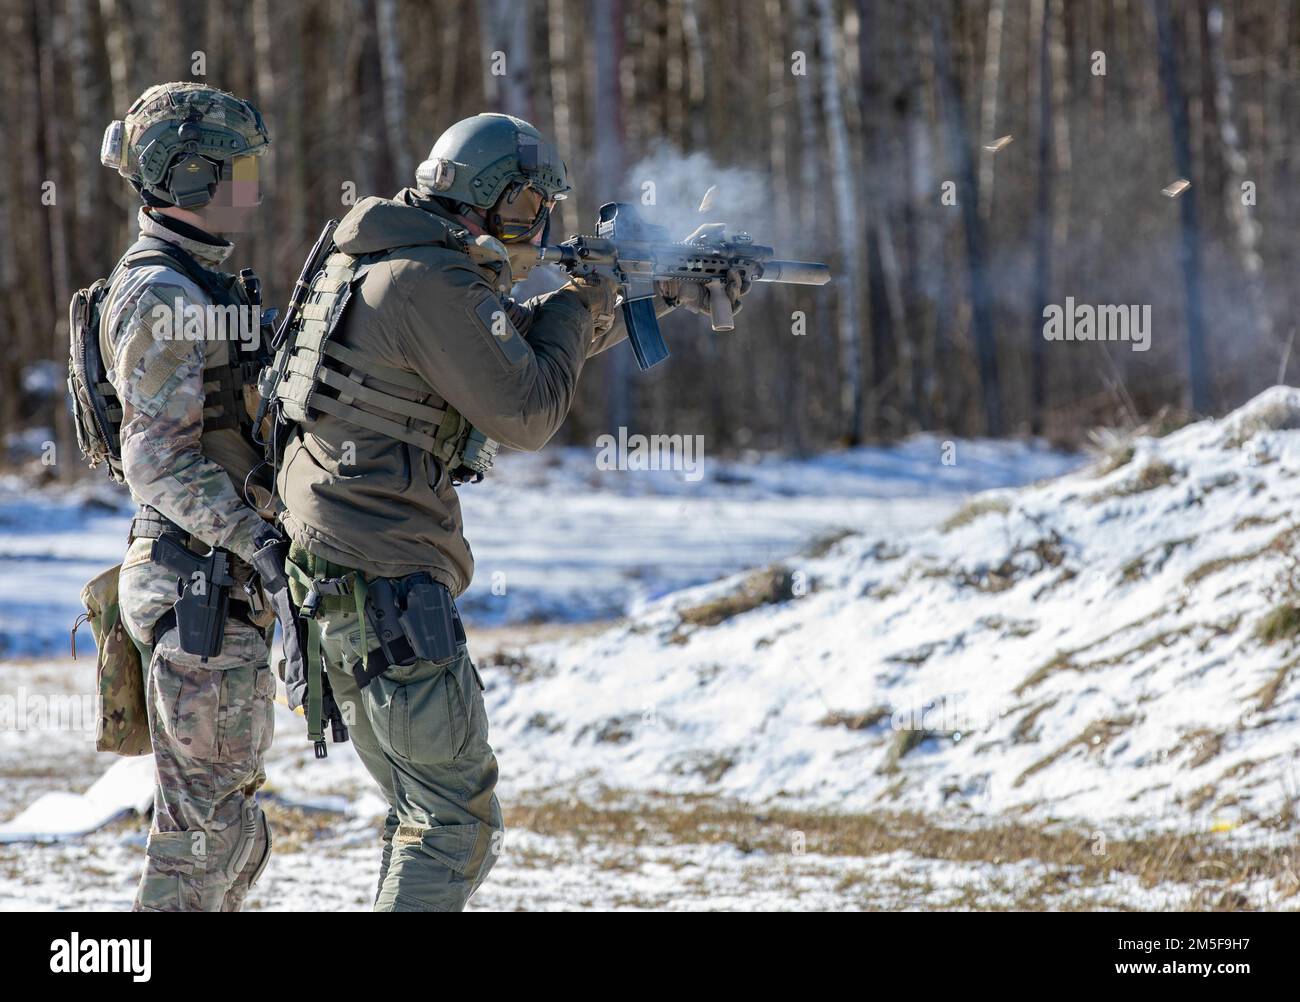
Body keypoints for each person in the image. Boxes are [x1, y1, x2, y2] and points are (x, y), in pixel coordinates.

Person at [271, 113, 748, 911]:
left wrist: (653, 288)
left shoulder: (393, 259)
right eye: (528, 210)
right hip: (385, 583)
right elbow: (525, 405)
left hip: (344, 571)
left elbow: (503, 349)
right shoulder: (430, 281)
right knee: (455, 827)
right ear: (487, 201)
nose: (538, 231)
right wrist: (587, 292)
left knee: (426, 815)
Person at [94, 82, 301, 911]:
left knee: (225, 835)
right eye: (236, 170)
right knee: (200, 848)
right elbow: (158, 464)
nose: (252, 187)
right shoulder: (163, 296)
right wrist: (264, 545)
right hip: (197, 588)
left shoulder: (197, 282)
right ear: (185, 180)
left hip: (209, 585)